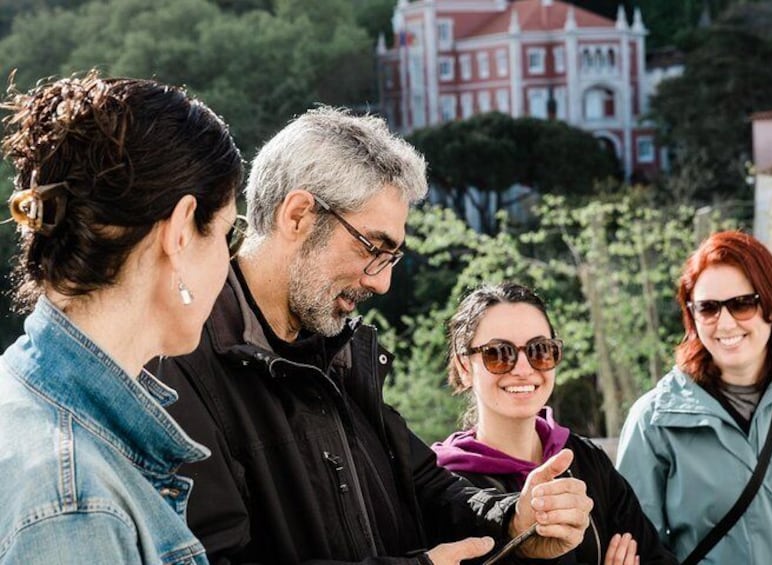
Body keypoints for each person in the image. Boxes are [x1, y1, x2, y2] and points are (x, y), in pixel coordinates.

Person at [152, 106, 596, 565]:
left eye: (392, 256)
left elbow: (424, 484)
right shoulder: (180, 360)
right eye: (372, 247)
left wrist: (513, 519)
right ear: (299, 215)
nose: (380, 282)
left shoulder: (339, 349)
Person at [0, 71, 244, 564]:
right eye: (226, 235)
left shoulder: (25, 393)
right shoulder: (74, 506)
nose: (229, 261)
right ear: (179, 232)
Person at [615, 230, 772, 564]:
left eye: (742, 304)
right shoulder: (653, 421)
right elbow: (637, 547)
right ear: (692, 317)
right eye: (708, 308)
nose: (724, 324)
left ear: (771, 306)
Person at [432, 282, 678, 565]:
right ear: (465, 368)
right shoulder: (445, 486)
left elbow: (654, 557)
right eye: (498, 354)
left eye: (539, 350)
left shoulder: (586, 460)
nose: (523, 369)